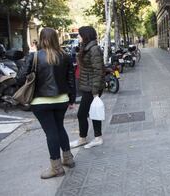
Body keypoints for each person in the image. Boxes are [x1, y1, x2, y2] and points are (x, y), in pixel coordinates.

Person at [17, 28, 76, 179]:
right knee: (59, 128)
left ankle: (56, 168)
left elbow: (20, 78)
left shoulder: (34, 56)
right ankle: (68, 159)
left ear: (41, 39)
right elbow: (71, 80)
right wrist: (72, 99)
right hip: (62, 100)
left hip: (40, 102)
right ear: (56, 39)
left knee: (51, 132)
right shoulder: (65, 56)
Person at [70, 26, 105, 149]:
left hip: (92, 87)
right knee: (93, 112)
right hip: (88, 85)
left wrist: (95, 91)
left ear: (85, 35)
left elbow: (98, 70)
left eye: (79, 35)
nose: (78, 37)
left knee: (82, 114)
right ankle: (96, 137)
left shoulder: (93, 49)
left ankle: (83, 138)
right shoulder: (86, 48)